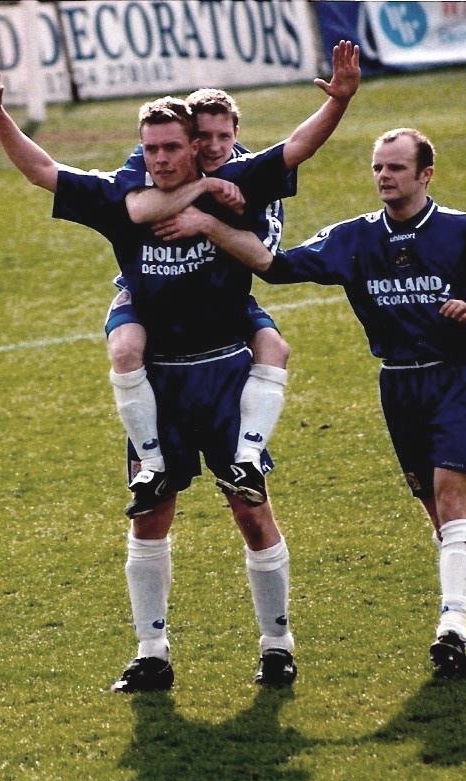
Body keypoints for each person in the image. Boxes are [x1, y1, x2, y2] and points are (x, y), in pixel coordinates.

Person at [0, 45, 357, 692]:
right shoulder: (122, 196)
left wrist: (339, 100)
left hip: (222, 371)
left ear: (196, 148)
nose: (159, 158)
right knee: (149, 516)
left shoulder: (238, 185)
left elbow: (295, 148)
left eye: (170, 148)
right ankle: (151, 651)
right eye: (149, 148)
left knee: (249, 508)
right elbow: (43, 170)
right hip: (159, 381)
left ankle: (277, 644)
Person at [156, 127, 466, 677]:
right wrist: (211, 225)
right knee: (437, 511)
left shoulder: (462, 231)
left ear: (425, 174)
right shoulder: (354, 238)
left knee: (453, 502)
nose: (384, 176)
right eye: (378, 167)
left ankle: (450, 628)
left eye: (396, 168)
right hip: (398, 384)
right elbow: (274, 266)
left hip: (458, 378)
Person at [107, 44, 360, 518]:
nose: (214, 147)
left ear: (237, 135)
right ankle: (154, 462)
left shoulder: (247, 177)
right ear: (188, 138)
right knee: (125, 349)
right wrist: (197, 190)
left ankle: (247, 461)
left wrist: (339, 101)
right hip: (150, 297)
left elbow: (266, 259)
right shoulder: (153, 162)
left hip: (226, 296)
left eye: (224, 136)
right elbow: (137, 208)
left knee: (275, 347)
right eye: (203, 137)